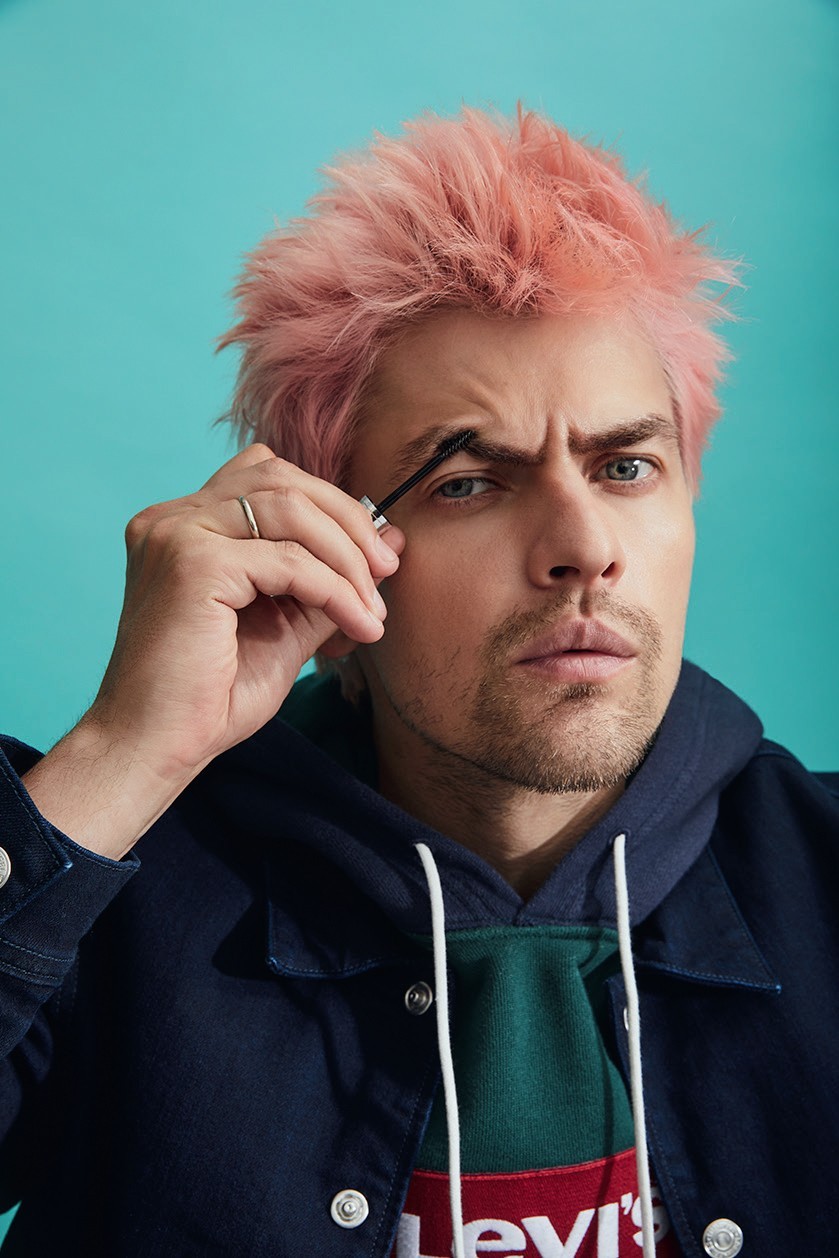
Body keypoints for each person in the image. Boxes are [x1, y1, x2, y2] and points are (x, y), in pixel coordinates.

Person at [0, 106, 836, 1258]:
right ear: (323, 542)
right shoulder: (112, 919)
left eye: (625, 466)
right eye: (467, 484)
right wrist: (122, 754)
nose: (582, 547)